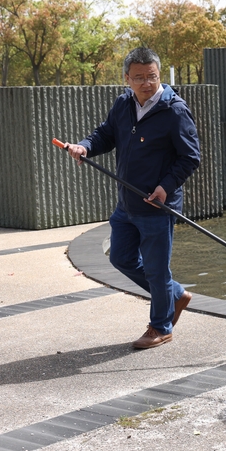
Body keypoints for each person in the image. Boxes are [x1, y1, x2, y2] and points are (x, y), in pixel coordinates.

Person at [66, 47, 200, 350]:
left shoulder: (174, 110)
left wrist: (166, 186)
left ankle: (161, 327)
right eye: (139, 78)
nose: (146, 83)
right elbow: (106, 135)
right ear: (127, 78)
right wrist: (85, 147)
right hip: (127, 202)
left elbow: (190, 157)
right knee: (120, 257)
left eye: (151, 77)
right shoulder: (123, 104)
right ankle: (175, 294)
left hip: (157, 204)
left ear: (159, 75)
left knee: (155, 269)